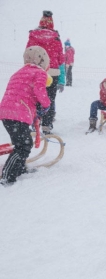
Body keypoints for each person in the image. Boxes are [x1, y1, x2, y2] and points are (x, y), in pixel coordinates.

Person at [0, 46, 51, 186]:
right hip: (17, 114)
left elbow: (23, 95)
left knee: (21, 142)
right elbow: (39, 90)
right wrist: (46, 104)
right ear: (42, 61)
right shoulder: (39, 72)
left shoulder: (19, 72)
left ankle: (19, 168)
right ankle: (7, 176)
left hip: (6, 113)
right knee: (23, 146)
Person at [26, 10, 65, 135]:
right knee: (49, 99)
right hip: (52, 72)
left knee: (34, 97)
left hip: (35, 71)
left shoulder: (33, 36)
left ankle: (34, 123)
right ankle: (47, 126)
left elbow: (28, 52)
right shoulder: (55, 37)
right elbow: (60, 58)